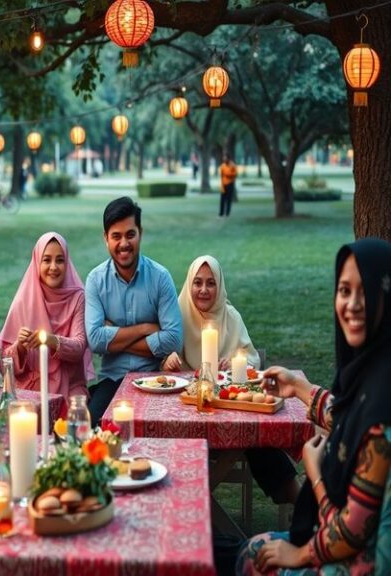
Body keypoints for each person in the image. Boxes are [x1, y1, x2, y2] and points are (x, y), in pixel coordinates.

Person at [237, 238, 391, 574]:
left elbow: (352, 530)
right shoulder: (374, 372)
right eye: (345, 290)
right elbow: (349, 419)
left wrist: (316, 473)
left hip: (362, 562)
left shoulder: (382, 408)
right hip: (344, 539)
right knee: (247, 551)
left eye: (366, 291)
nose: (353, 304)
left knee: (253, 559)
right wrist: (298, 387)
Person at [163, 255, 300, 505]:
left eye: (211, 283)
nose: (204, 290)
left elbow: (251, 358)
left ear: (220, 286)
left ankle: (296, 498)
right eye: (197, 283)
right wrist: (168, 360)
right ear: (189, 284)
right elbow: (163, 356)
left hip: (228, 413)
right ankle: (180, 505)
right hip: (185, 415)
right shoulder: (177, 315)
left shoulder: (231, 316)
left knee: (258, 436)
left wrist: (237, 364)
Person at [85, 196, 182, 425]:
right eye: (116, 236)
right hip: (111, 380)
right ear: (106, 238)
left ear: (140, 233)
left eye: (130, 235)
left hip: (155, 379)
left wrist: (114, 337)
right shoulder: (95, 281)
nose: (124, 243)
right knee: (89, 428)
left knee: (168, 429)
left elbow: (174, 340)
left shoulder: (160, 277)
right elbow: (96, 340)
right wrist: (146, 329)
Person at [0, 232, 95, 399]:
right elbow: (5, 364)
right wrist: (20, 347)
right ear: (37, 262)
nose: (53, 267)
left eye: (60, 260)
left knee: (76, 409)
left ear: (67, 263)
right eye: (47, 260)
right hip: (31, 387)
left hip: (69, 386)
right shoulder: (24, 300)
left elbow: (79, 347)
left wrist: (50, 340)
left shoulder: (77, 297)